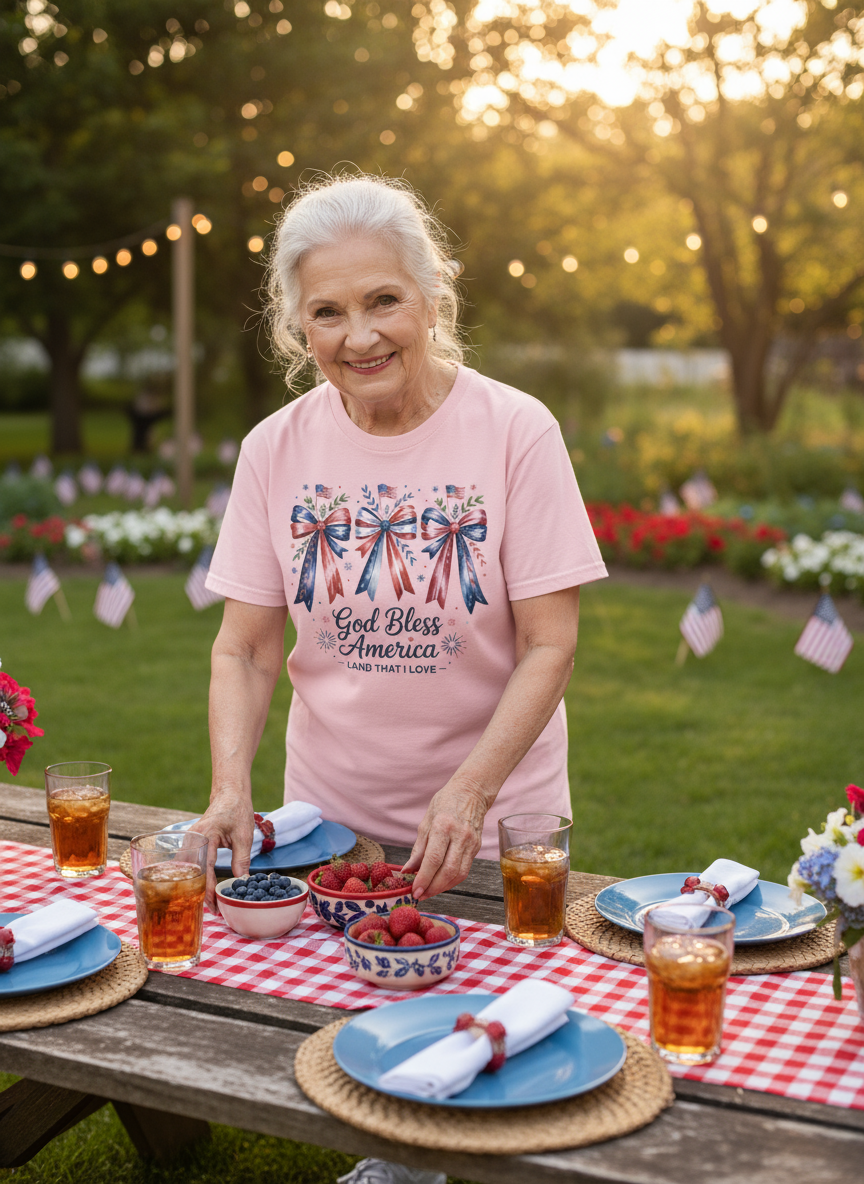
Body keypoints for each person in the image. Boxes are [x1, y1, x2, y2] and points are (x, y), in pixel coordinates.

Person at [197, 171, 606, 1184]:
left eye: (383, 300)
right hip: (330, 832)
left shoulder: (517, 431)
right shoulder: (275, 449)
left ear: (432, 298)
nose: (359, 335)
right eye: (327, 311)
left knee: (502, 1062)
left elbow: (551, 640)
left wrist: (470, 787)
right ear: (297, 326)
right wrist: (229, 786)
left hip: (496, 822)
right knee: (362, 1058)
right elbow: (243, 647)